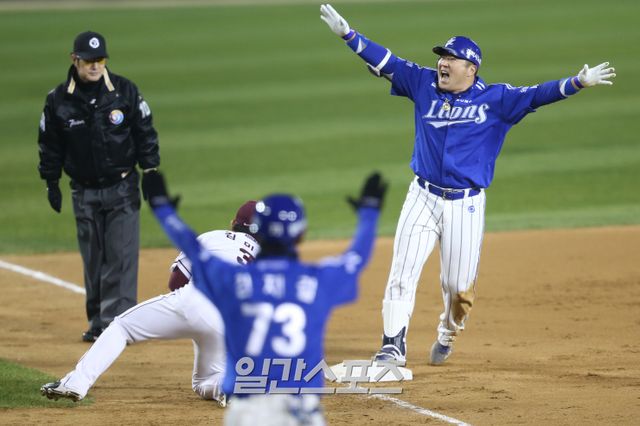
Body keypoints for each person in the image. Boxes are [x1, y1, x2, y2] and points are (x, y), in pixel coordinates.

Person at [320, 4, 616, 365]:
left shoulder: (497, 99)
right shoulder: (423, 83)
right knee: (402, 271)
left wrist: (578, 83)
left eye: (451, 58)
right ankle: (392, 344)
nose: (442, 63)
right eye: (442, 57)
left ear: (470, 69)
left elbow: (538, 94)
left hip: (466, 205)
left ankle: (448, 332)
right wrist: (349, 35)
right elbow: (388, 61)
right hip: (422, 197)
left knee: (458, 288)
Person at [143, 170, 386, 426]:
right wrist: (369, 214)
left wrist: (163, 209)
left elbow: (193, 249)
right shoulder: (316, 281)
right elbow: (356, 258)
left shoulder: (234, 281)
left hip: (248, 413)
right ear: (301, 235)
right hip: (301, 412)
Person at [40, 201, 259, 407]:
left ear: (233, 223)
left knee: (122, 327)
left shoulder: (211, 237)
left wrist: (185, 318)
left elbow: (176, 281)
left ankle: (75, 383)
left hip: (195, 301)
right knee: (205, 381)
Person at [37, 31, 161, 342]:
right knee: (93, 258)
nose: (95, 65)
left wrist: (150, 171)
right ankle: (97, 323)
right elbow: (49, 144)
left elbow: (145, 131)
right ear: (74, 59)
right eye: (89, 60)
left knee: (120, 255)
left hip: (122, 186)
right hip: (84, 190)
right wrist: (51, 181)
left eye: (100, 59)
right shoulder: (58, 100)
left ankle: (120, 325)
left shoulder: (124, 91)